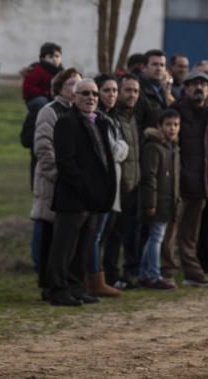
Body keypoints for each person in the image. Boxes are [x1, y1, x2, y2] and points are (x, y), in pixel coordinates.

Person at [46, 79, 117, 307]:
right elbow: (65, 162)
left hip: (93, 199)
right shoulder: (66, 122)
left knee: (83, 247)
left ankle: (76, 286)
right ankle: (58, 289)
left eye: (94, 94)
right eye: (85, 93)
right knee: (64, 247)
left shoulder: (101, 122)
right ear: (74, 97)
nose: (91, 98)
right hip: (73, 197)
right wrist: (85, 188)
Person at [30, 68, 80, 299]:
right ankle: (48, 285)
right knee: (49, 235)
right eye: (71, 84)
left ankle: (64, 281)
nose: (76, 89)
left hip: (72, 186)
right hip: (53, 182)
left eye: (79, 84)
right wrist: (59, 175)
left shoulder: (78, 112)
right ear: (59, 87)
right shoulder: (50, 111)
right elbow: (43, 147)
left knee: (66, 239)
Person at [172, 71, 208, 287]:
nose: (199, 88)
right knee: (169, 232)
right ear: (186, 88)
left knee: (191, 233)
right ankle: (166, 272)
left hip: (202, 183)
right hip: (179, 183)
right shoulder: (176, 112)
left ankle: (192, 272)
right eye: (194, 84)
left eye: (203, 84)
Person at [85, 75, 124, 299]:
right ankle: (93, 278)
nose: (112, 94)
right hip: (101, 186)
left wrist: (120, 149)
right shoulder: (98, 119)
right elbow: (113, 151)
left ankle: (99, 277)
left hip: (113, 185)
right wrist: (120, 149)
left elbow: (120, 150)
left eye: (114, 90)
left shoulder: (112, 118)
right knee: (95, 234)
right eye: (107, 90)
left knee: (103, 234)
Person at [103, 74, 142, 289]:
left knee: (123, 234)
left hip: (132, 184)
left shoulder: (134, 117)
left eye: (135, 91)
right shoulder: (114, 117)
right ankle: (105, 275)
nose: (132, 95)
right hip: (116, 186)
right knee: (109, 234)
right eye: (127, 90)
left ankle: (121, 274)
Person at [139, 110, 181, 289]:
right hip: (158, 201)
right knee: (156, 237)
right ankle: (152, 274)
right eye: (168, 124)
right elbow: (150, 177)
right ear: (159, 126)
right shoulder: (154, 147)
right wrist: (151, 203)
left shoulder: (172, 147)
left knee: (157, 237)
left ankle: (147, 273)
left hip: (168, 200)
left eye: (176, 125)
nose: (172, 128)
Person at [21, 42, 63, 109]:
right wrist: (45, 93)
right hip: (37, 99)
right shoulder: (36, 70)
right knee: (43, 102)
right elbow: (28, 88)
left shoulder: (62, 72)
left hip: (54, 98)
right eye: (50, 57)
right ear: (43, 58)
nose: (54, 59)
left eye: (57, 56)